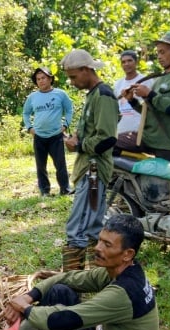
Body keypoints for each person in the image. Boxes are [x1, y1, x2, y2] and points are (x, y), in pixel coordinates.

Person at [0, 214, 158, 330]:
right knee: (59, 291)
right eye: (100, 240)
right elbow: (67, 278)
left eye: (107, 245)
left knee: (62, 326)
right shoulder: (123, 271)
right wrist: (29, 296)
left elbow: (61, 319)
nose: (97, 248)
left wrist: (24, 308)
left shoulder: (123, 293)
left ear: (128, 254)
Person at [60, 49, 118, 271]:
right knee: (93, 225)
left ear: (86, 70)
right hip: (88, 168)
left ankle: (73, 282)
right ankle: (96, 276)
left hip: (94, 171)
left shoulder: (103, 95)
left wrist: (80, 145)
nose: (72, 82)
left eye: (74, 77)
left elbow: (107, 138)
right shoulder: (93, 95)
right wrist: (78, 138)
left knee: (79, 226)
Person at [121, 31, 170, 165]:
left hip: (166, 142)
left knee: (168, 183)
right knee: (110, 143)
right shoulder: (160, 78)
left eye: (163, 52)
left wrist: (149, 94)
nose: (159, 57)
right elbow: (150, 111)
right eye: (158, 53)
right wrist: (132, 100)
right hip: (147, 137)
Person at [23, 66, 74, 196]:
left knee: (60, 165)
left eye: (43, 78)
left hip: (56, 135)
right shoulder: (32, 97)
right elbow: (26, 113)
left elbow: (69, 109)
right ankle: (44, 190)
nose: (41, 81)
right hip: (39, 136)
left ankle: (65, 189)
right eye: (38, 79)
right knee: (41, 166)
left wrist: (65, 124)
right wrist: (30, 128)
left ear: (50, 79)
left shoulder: (60, 94)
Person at [114, 50, 154, 135]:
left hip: (140, 130)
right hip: (121, 129)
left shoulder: (147, 81)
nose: (126, 64)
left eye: (129, 61)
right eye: (123, 62)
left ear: (136, 62)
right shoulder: (118, 84)